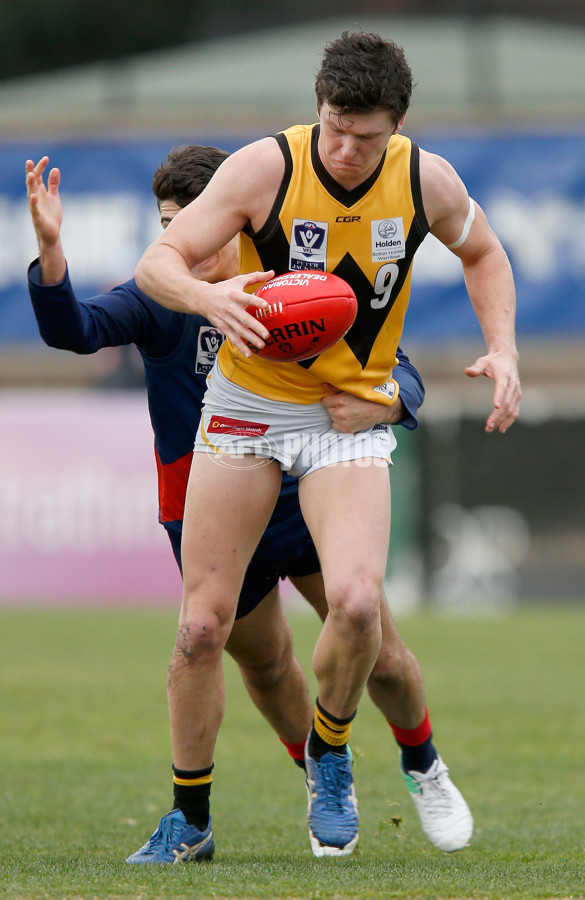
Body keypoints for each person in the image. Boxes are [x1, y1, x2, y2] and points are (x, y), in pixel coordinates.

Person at [26, 143, 472, 862]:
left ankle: (423, 761)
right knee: (244, 656)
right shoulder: (158, 298)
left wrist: (389, 404)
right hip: (208, 503)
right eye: (168, 223)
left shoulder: (299, 288)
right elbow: (72, 331)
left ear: (234, 222)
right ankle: (289, 790)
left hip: (306, 495)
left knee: (380, 650)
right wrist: (51, 253)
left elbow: (397, 370)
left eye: (192, 224)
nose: (183, 244)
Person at [134, 30, 517, 861]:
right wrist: (206, 296)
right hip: (245, 405)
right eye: (335, 125)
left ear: (399, 127)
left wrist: (506, 348)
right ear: (318, 106)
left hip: (348, 416)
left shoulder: (426, 180)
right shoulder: (265, 169)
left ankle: (333, 754)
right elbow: (157, 263)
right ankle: (190, 823)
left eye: (366, 134)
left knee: (354, 605)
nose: (346, 148)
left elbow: (485, 253)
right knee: (202, 628)